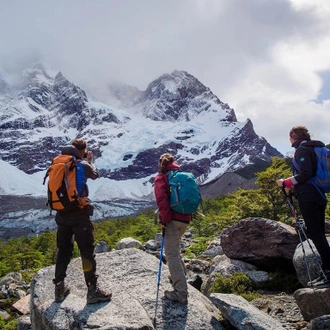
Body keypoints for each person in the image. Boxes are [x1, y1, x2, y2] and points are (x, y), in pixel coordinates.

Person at [53, 139, 112, 303]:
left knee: (63, 250)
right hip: (79, 214)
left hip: (62, 214)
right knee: (86, 251)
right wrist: (89, 161)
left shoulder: (60, 164)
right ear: (83, 151)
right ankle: (92, 291)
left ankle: (59, 290)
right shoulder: (82, 165)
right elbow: (95, 174)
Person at [276, 125, 330, 288]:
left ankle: (328, 270)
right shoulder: (317, 148)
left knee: (315, 233)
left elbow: (306, 173)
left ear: (293, 136)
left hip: (308, 196)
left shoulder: (301, 150)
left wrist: (286, 182)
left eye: (290, 136)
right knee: (319, 233)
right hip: (320, 194)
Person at [154, 153, 191, 303]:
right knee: (175, 250)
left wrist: (164, 220)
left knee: (171, 254)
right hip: (185, 219)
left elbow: (162, 200)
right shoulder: (180, 175)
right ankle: (179, 276)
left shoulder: (161, 178)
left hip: (172, 221)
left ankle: (181, 292)